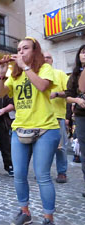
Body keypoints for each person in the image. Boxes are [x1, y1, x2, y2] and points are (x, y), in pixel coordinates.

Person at [0, 37, 60, 225]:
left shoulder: (44, 68)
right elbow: (0, 93)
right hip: (20, 128)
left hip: (45, 128)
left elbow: (41, 86)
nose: (21, 51)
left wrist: (24, 66)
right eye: (19, 49)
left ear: (34, 51)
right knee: (19, 174)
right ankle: (25, 212)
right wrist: (1, 74)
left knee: (42, 175)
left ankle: (48, 217)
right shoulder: (14, 74)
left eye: (25, 48)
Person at [44, 52, 69, 183]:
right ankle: (43, 172)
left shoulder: (60, 74)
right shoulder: (37, 76)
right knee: (43, 148)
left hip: (57, 116)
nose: (45, 59)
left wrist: (57, 93)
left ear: (52, 60)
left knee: (60, 148)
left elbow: (70, 92)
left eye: (48, 57)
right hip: (41, 118)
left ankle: (62, 172)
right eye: (43, 57)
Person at [65, 44, 85, 198]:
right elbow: (68, 96)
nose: (84, 55)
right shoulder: (74, 75)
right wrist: (77, 100)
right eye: (83, 52)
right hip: (82, 115)